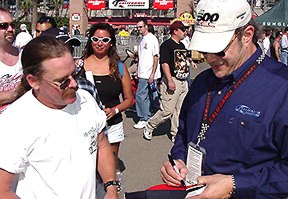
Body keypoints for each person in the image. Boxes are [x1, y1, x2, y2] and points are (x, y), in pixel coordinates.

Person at [161, 0, 288, 198]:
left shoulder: (282, 87)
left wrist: (235, 184)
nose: (210, 58)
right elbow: (184, 132)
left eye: (218, 49)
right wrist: (178, 161)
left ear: (246, 36)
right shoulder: (203, 81)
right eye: (203, 50)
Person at [0, 36, 119, 199]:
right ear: (34, 81)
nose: (74, 84)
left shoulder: (86, 100)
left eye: (74, 74)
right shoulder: (14, 122)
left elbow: (101, 144)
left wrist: (111, 187)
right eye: (62, 82)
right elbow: (3, 191)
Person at [81, 23, 133, 169]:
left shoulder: (119, 67)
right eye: (95, 39)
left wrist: (114, 110)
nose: (99, 43)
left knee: (110, 165)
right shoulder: (79, 65)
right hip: (86, 124)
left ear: (111, 43)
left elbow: (129, 100)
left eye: (105, 40)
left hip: (112, 125)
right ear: (90, 41)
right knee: (86, 165)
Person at [143, 21, 189, 142]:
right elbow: (164, 63)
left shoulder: (182, 45)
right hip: (172, 80)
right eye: (183, 29)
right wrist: (169, 80)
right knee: (167, 111)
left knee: (178, 110)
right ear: (175, 31)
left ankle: (175, 134)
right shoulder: (167, 45)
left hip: (183, 81)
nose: (185, 32)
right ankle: (150, 125)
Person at [133, 19, 160, 129]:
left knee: (140, 94)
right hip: (142, 71)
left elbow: (156, 56)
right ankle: (149, 114)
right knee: (148, 95)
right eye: (137, 27)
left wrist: (152, 73)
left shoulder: (152, 39)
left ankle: (144, 118)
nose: (139, 29)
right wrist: (137, 71)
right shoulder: (141, 40)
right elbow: (142, 57)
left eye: (140, 27)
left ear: (146, 26)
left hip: (148, 73)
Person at [0, 7, 22, 114]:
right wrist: (17, 93)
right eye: (3, 26)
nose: (10, 29)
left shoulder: (26, 55)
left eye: (12, 25)